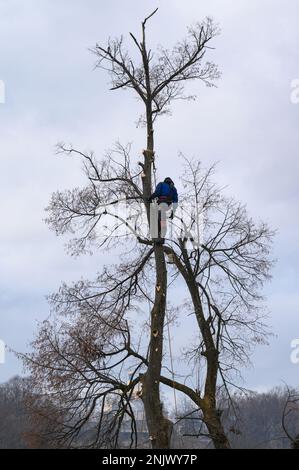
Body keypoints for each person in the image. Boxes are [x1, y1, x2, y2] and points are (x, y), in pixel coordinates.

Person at [148, 177, 178, 243]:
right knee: (161, 218)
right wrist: (173, 212)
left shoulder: (161, 184)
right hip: (168, 205)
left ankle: (160, 237)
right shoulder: (173, 188)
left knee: (159, 218)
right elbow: (175, 201)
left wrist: (150, 198)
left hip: (162, 203)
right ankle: (160, 236)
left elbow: (157, 193)